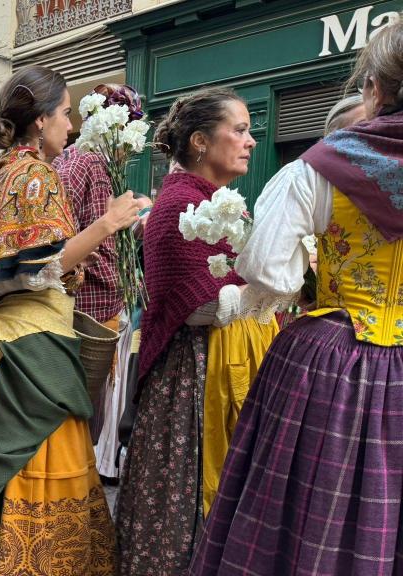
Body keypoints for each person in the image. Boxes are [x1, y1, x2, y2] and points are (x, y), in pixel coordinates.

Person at [192, 21, 403, 575]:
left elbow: (269, 270)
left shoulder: (323, 166)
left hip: (333, 366)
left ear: (374, 88)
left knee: (303, 518)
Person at [0, 65, 137, 576]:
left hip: (21, 346)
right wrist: (107, 223)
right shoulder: (34, 175)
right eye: (65, 113)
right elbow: (37, 267)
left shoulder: (11, 171)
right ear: (40, 120)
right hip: (24, 350)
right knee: (39, 465)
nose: (70, 126)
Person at [115, 87, 280, 574]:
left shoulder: (214, 201)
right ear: (201, 141)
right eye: (240, 130)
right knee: (187, 494)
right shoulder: (179, 206)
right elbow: (201, 308)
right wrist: (278, 284)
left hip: (228, 358)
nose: (251, 141)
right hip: (194, 373)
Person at [54, 83, 145, 450]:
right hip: (85, 314)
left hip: (100, 310)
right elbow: (55, 238)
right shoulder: (84, 161)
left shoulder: (102, 163)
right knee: (78, 424)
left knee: (86, 423)